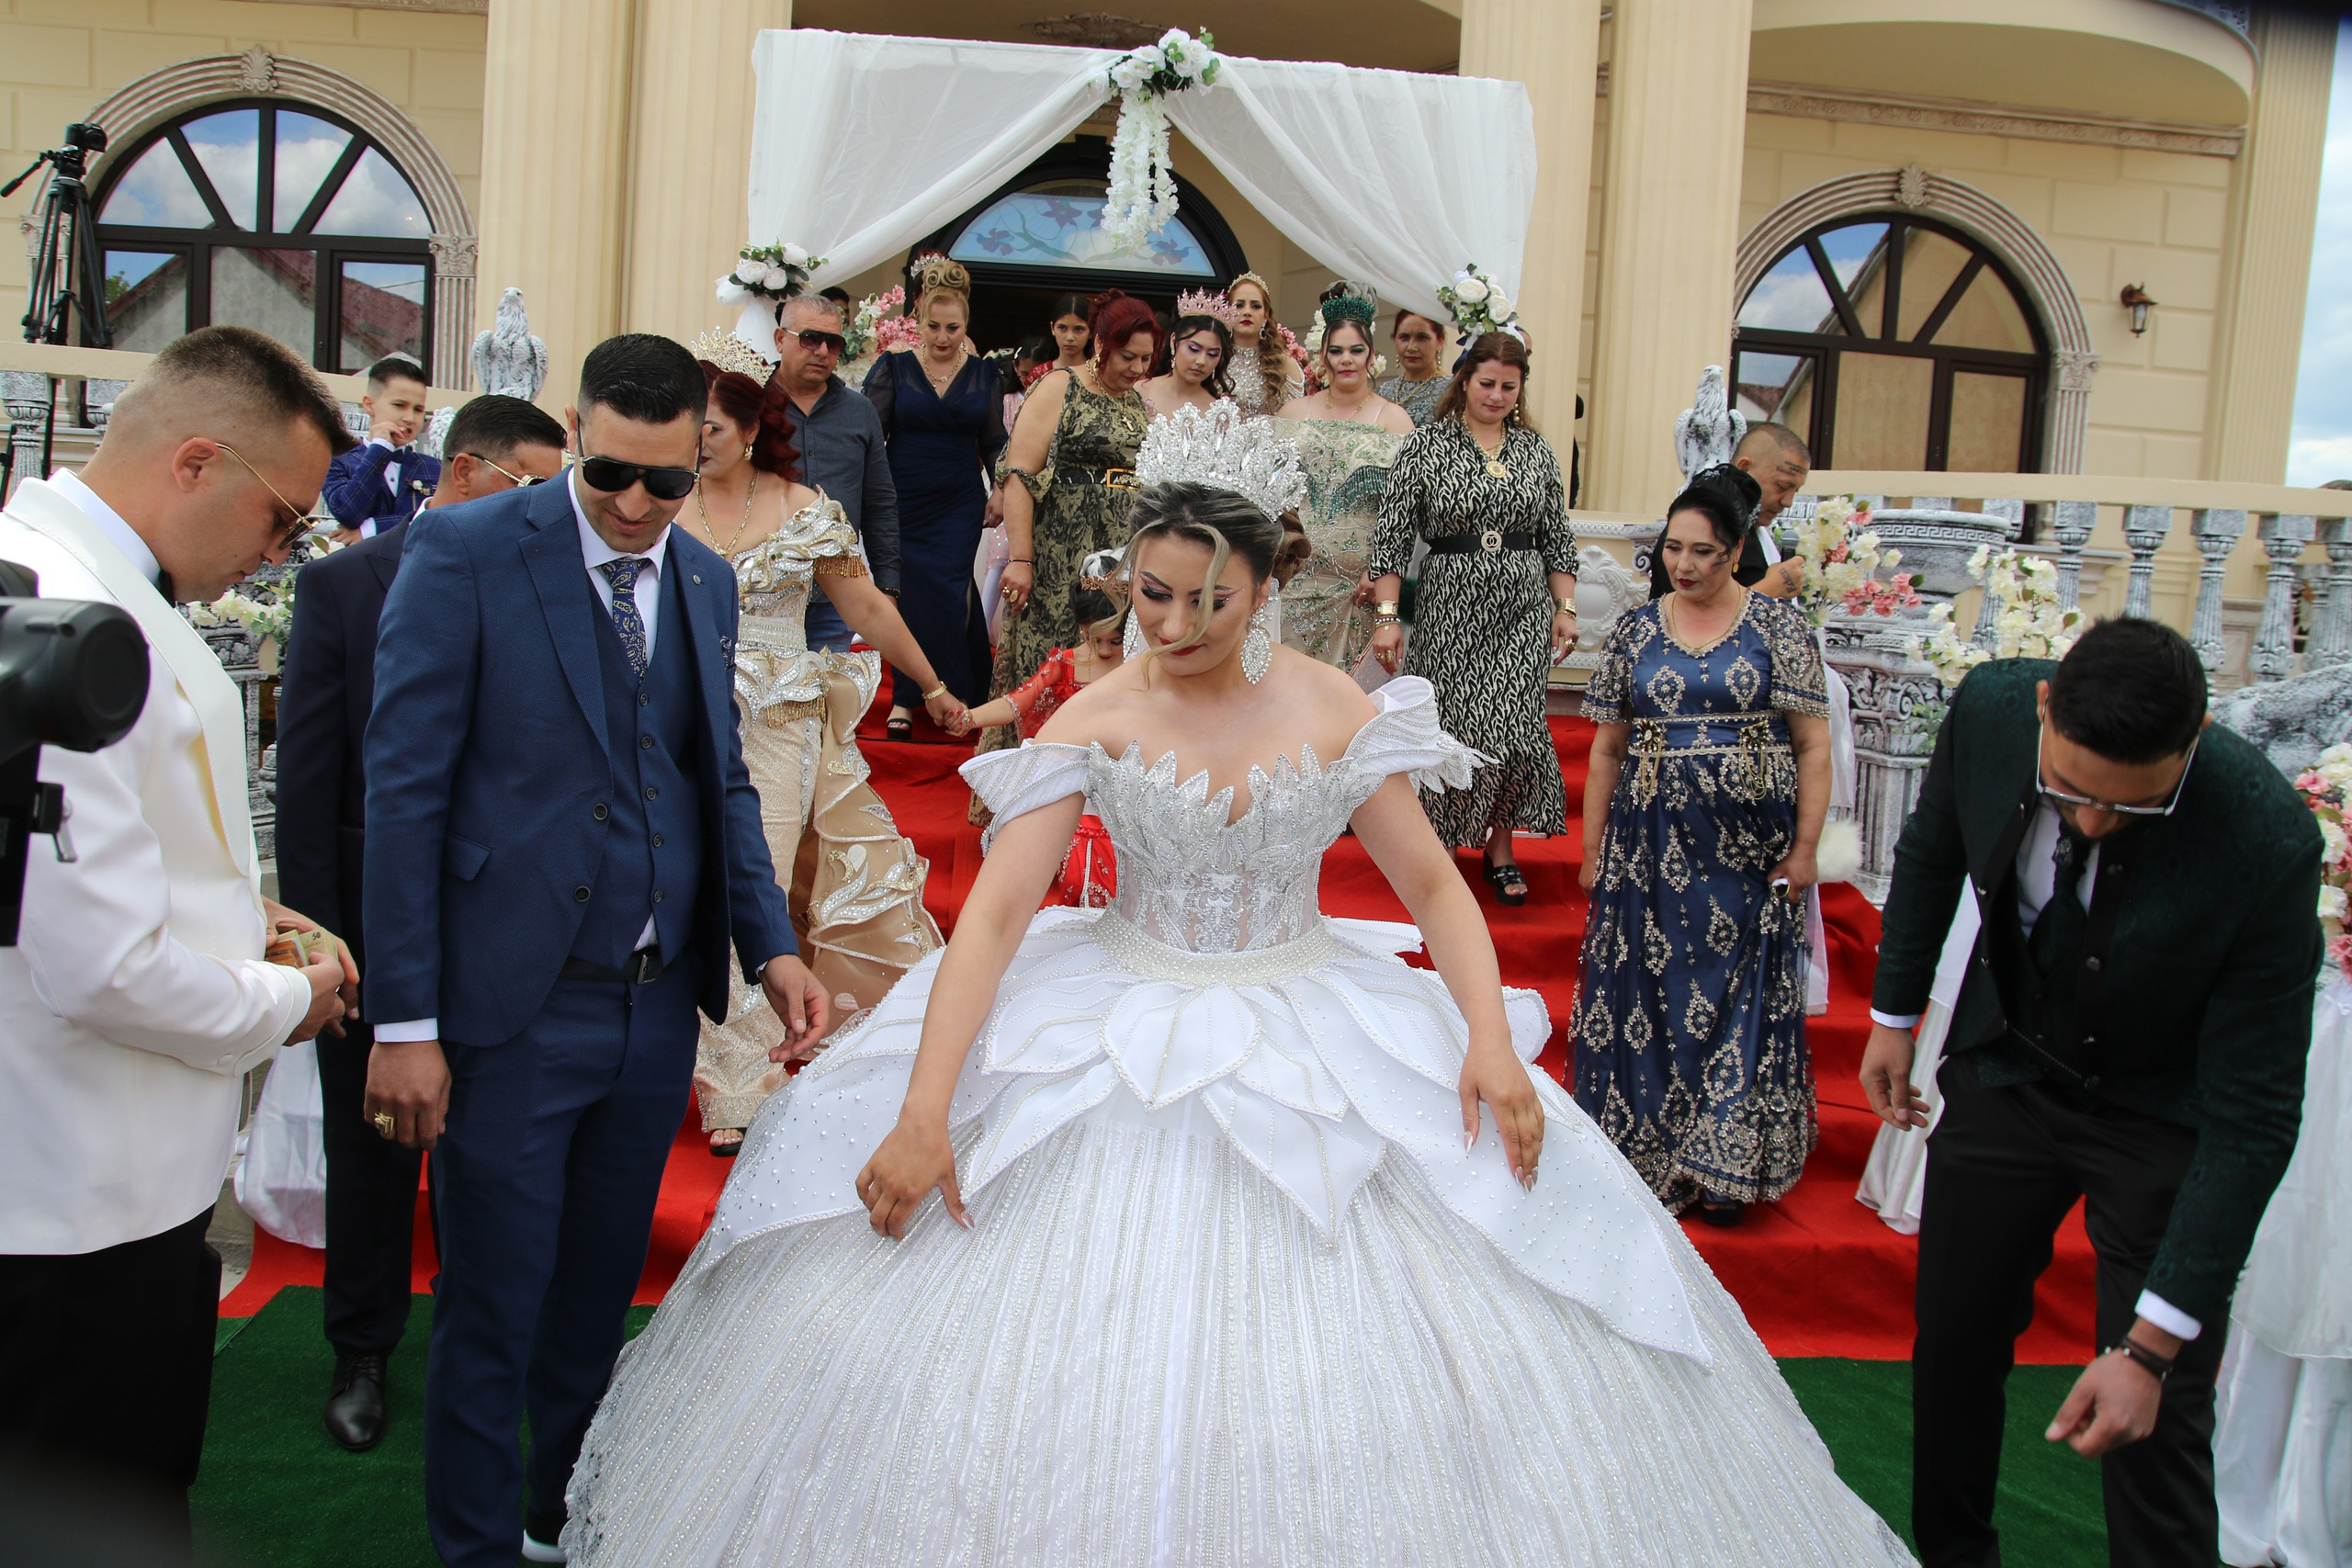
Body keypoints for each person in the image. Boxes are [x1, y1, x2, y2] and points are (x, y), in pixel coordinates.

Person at [555, 403, 1916, 1567]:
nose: (1175, 624)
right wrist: (923, 1109)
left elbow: (1438, 887)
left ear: (1268, 584)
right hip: (1113, 1001)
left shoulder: (1332, 706)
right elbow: (995, 921)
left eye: (1209, 598)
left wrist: (1491, 1046)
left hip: (1308, 1001)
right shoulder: (1097, 711)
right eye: (1152, 594)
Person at [359, 333, 831, 1568]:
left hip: (651, 1009)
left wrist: (771, 945)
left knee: (591, 1306)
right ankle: (473, 1549)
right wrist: (405, 1021)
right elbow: (403, 796)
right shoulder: (464, 551)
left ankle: (562, 1522)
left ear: (700, 460)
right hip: (508, 1008)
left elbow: (718, 780)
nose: (633, 505)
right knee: (493, 1304)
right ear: (574, 433)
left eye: (665, 482)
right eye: (610, 473)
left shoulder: (706, 581)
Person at [1860, 617, 2319, 1568]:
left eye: (2132, 805)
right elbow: (1932, 851)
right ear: (2043, 708)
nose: (2095, 822)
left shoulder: (2267, 838)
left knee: (2156, 1418)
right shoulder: (1989, 710)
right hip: (2004, 1068)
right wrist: (1894, 1013)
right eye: (2072, 792)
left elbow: (2255, 1115)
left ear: (2194, 740)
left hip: (2159, 1113)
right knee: (1953, 1350)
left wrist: (2148, 1350)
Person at [0, 326, 357, 1545]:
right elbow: (101, 965)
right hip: (71, 1204)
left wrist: (240, 912)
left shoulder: (82, 581)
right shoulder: (59, 614)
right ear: (198, 462)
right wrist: (290, 997)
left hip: (106, 1179)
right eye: (281, 516)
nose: (281, 551)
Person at [275, 392, 567, 1453]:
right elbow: (309, 784)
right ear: (468, 471)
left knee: (496, 1155)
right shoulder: (344, 584)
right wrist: (322, 946)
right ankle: (361, 1349)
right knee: (372, 1153)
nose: (551, 512)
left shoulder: (555, 591)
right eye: (533, 486)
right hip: (366, 926)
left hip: (504, 932)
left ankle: (483, 1344)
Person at [684, 344, 956, 1154]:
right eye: (689, 426)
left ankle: (741, 1077)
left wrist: (932, 685)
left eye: (712, 426)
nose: (697, 442)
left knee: (754, 878)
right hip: (676, 707)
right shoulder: (660, 502)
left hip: (776, 718)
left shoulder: (808, 509)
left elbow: (867, 609)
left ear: (750, 427)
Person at [1571, 465, 1832, 1224]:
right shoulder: (1635, 630)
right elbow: (1608, 749)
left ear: (1737, 550)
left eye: (1702, 551)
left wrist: (1805, 848)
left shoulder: (1779, 629)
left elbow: (1813, 744)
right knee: (1654, 998)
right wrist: (1592, 848)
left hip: (1748, 850)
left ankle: (1726, 1160)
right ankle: (1656, 1153)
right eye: (1673, 549)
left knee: (1736, 991)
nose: (1683, 565)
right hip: (1649, 848)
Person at [1366, 332, 1576, 907]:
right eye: (1487, 383)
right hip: (1449, 607)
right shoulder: (1426, 445)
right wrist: (1387, 617)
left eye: (1510, 386)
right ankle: (1443, 848)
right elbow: (1391, 539)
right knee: (1452, 726)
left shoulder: (1536, 451)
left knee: (1516, 725)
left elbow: (1557, 538)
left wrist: (1565, 608)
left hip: (1522, 608)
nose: (1497, 395)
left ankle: (1500, 848)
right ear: (1464, 381)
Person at [977, 288, 1159, 765]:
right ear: (1102, 344)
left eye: (1146, 358)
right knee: (1049, 659)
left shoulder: (1136, 402)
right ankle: (1028, 777)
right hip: (1057, 552)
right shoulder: (1060, 386)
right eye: (1128, 356)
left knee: (1106, 661)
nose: (1138, 368)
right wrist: (1021, 558)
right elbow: (1019, 475)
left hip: (1117, 553)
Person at [862, 256, 1006, 735]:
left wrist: (1000, 489)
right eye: (934, 326)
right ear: (919, 321)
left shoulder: (985, 375)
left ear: (966, 324)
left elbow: (995, 442)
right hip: (902, 499)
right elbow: (869, 436)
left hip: (958, 501)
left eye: (953, 328)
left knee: (947, 595)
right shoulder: (894, 368)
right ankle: (906, 698)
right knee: (907, 597)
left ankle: (952, 693)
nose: (943, 337)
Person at [946, 563, 1128, 908]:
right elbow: (1018, 701)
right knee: (1081, 873)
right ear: (1080, 628)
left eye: (1114, 641)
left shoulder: (1140, 667)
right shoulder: (1067, 663)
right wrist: (969, 718)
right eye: (1092, 639)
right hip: (1077, 781)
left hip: (1123, 779)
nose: (1104, 651)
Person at [1273, 285, 1414, 671]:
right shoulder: (1293, 413)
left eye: (1356, 350)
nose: (1346, 359)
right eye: (1336, 351)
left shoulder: (1394, 419)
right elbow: (1271, 495)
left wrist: (1382, 570)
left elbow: (1404, 510)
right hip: (1296, 577)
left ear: (1371, 354)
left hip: (1359, 586)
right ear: (1323, 356)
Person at [769, 291, 901, 653]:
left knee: (828, 688)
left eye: (834, 343)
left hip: (837, 596)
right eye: (810, 338)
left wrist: (887, 586)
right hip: (764, 598)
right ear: (780, 339)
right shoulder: (752, 406)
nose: (822, 351)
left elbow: (879, 503)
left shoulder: (859, 411)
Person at [1646, 422, 1812, 602]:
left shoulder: (1754, 527)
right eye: (1782, 486)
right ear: (1745, 468)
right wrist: (1770, 589)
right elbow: (1687, 608)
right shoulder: (1701, 519)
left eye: (1795, 491)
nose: (1788, 502)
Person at [322, 355, 438, 541]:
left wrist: (371, 529)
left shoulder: (436, 468)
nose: (410, 418)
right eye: (399, 405)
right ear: (369, 405)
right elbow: (347, 513)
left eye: (418, 409)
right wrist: (380, 448)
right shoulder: (338, 460)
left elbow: (438, 518)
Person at [1138, 290, 1234, 421]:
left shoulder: (1218, 413)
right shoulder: (1139, 392)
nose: (1201, 361)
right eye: (1194, 349)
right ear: (1174, 341)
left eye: (1212, 354)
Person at [1227, 270, 1302, 417]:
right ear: (1227, 312)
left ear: (1266, 316)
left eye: (1255, 306)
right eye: (1239, 305)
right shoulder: (1215, 361)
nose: (1247, 312)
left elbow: (1294, 422)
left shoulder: (1285, 366)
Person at [1375, 308, 1450, 426]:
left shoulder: (1453, 391)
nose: (1411, 347)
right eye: (1404, 338)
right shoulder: (1382, 392)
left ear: (1440, 341)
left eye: (1422, 338)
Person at [1044, 291, 1091, 378]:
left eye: (1078, 329)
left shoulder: (1099, 375)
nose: (1070, 337)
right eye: (1062, 328)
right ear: (1052, 328)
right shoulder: (1038, 375)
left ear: (1091, 332)